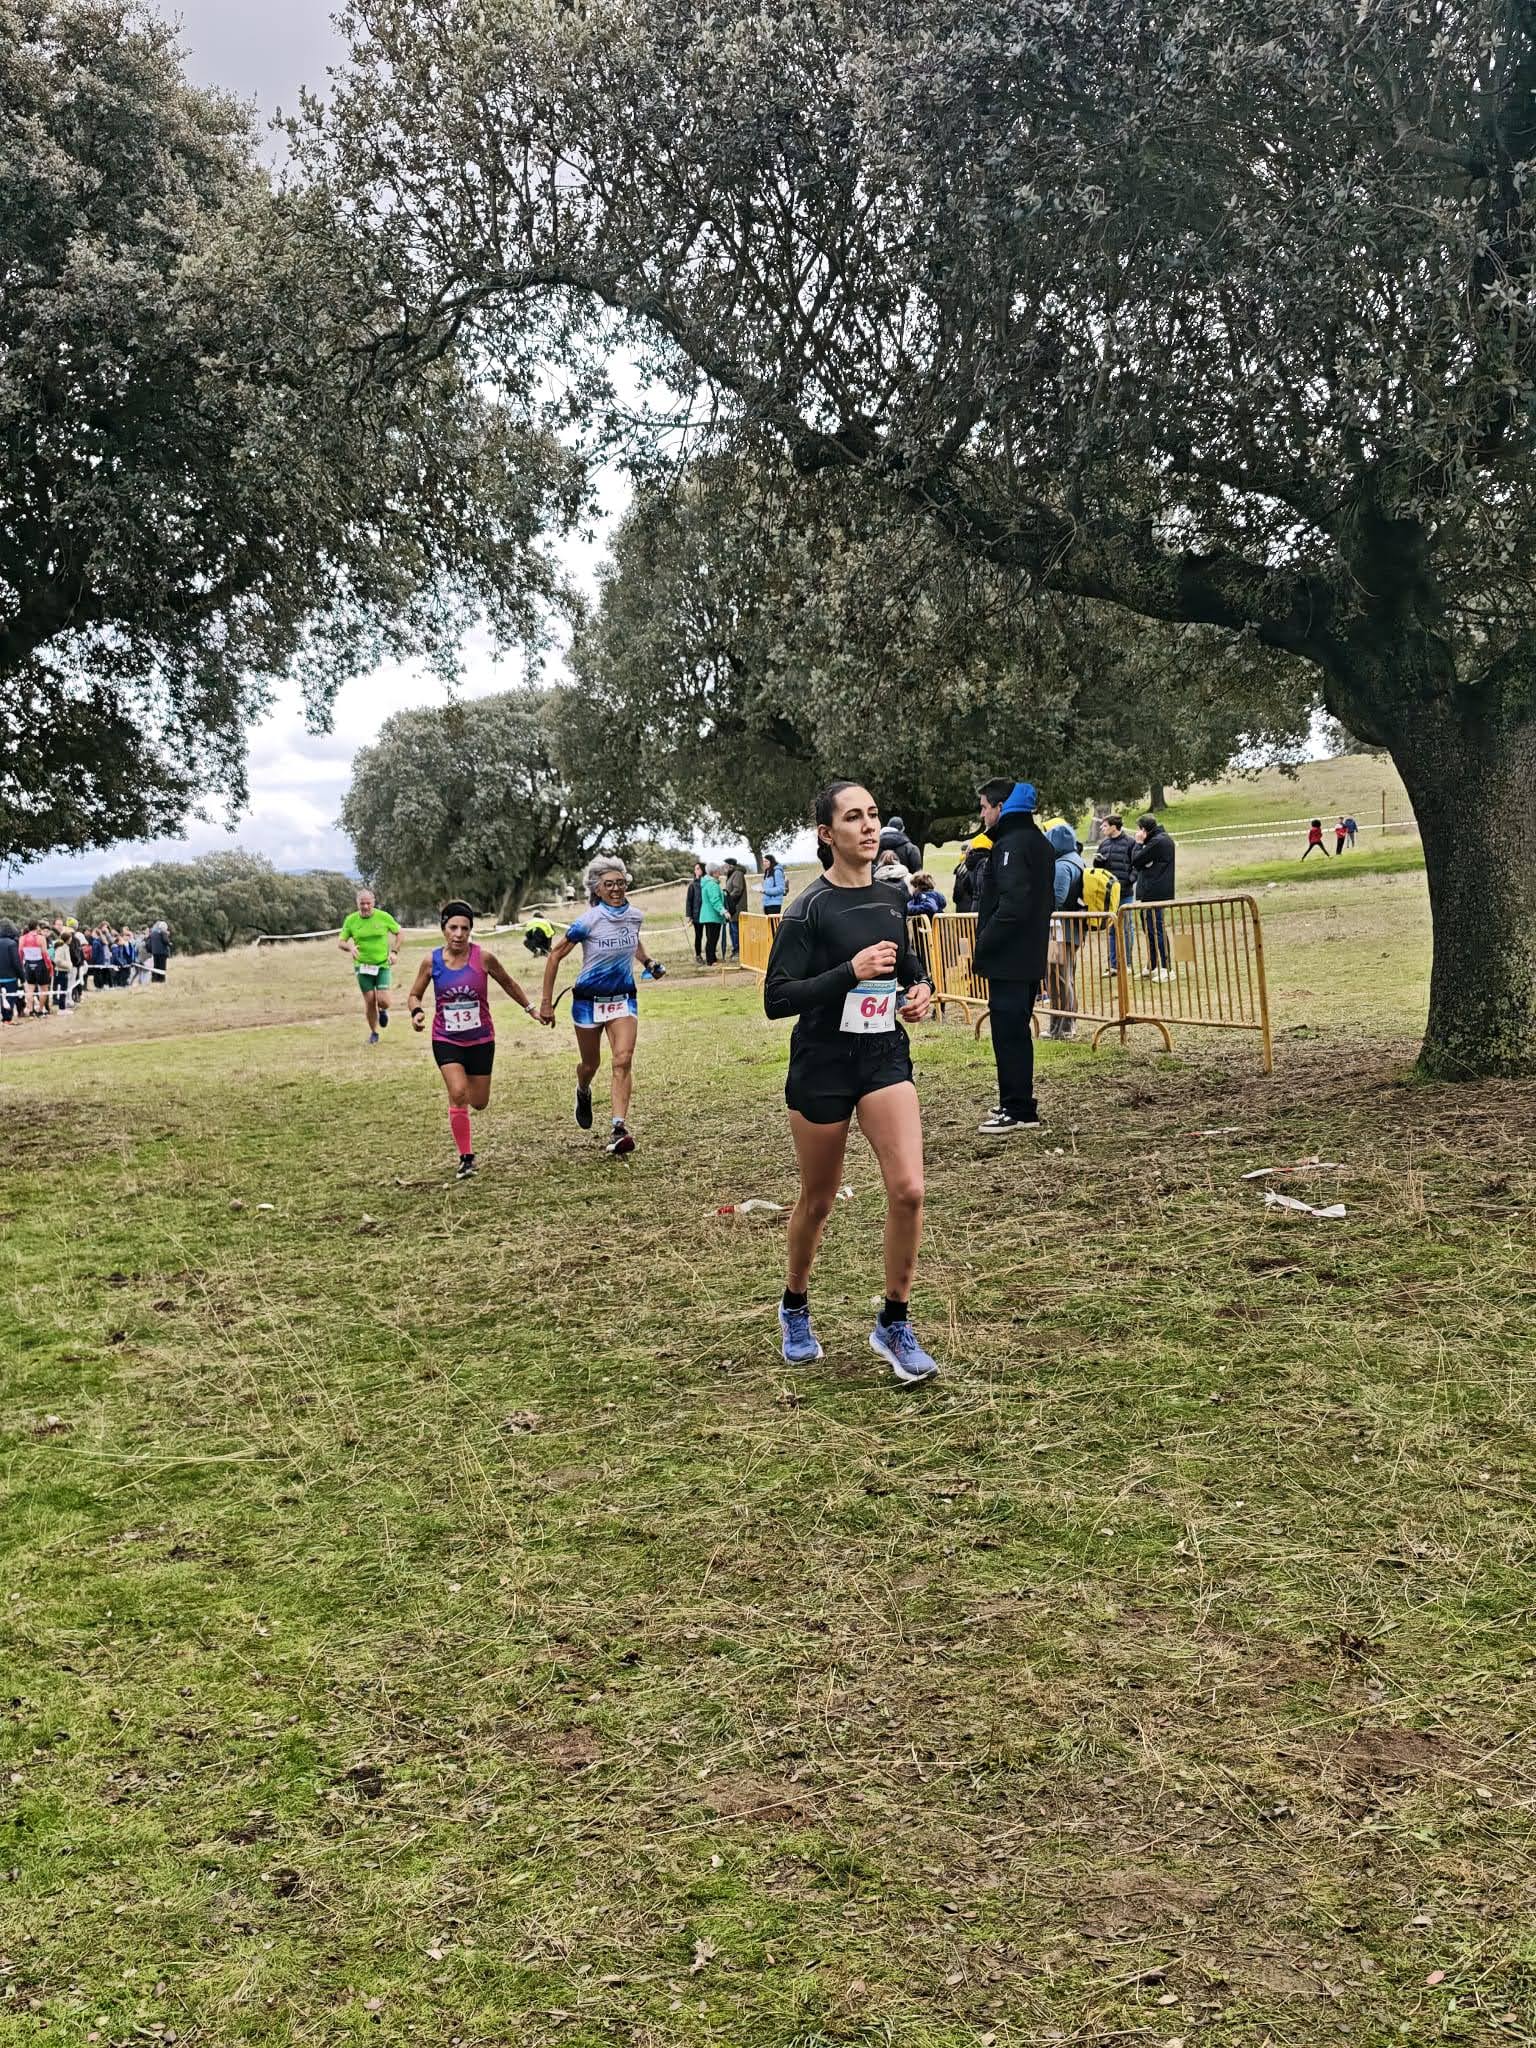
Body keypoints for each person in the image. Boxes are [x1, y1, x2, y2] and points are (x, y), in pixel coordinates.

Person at [763, 781, 938, 1384]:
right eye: (854, 817)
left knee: (910, 1188)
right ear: (825, 833)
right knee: (818, 1198)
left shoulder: (892, 896)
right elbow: (776, 998)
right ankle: (794, 1304)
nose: (869, 826)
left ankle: (894, 1320)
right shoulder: (807, 909)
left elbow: (909, 964)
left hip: (883, 1056)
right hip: (823, 1066)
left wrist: (920, 992)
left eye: (874, 816)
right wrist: (848, 972)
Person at [407, 899, 537, 1180]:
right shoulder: (432, 961)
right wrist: (417, 1012)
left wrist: (531, 1009)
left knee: (479, 1101)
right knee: (457, 1094)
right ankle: (466, 1158)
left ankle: (467, 1145)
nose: (458, 934)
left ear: (471, 931)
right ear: (444, 929)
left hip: (480, 1039)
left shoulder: (484, 958)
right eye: (453, 927)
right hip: (446, 1038)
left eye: (465, 928)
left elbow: (509, 983)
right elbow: (414, 994)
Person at [537, 856, 657, 1157]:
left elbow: (633, 940)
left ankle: (618, 1129)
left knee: (623, 1059)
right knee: (591, 1064)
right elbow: (554, 956)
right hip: (588, 1002)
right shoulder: (587, 921)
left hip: (623, 998)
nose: (616, 888)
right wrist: (546, 1003)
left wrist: (648, 962)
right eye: (609, 884)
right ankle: (583, 1089)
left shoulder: (635, 916)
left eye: (620, 882)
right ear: (597, 889)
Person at [971, 779, 1054, 1132]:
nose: (982, 814)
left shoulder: (1012, 844)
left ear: (1001, 807)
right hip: (1026, 953)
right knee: (1012, 1030)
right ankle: (1013, 1101)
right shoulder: (1031, 840)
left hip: (1012, 956)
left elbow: (1013, 905)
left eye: (984, 807)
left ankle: (1018, 1109)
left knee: (1009, 1032)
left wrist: (984, 943)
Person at [338, 889, 401, 1042]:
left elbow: (399, 933)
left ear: (373, 903)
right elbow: (341, 942)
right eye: (362, 904)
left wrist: (394, 952)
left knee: (383, 1000)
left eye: (368, 903)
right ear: (357, 904)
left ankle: (383, 1009)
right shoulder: (351, 920)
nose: (365, 907)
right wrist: (351, 948)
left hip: (382, 964)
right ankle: (374, 1033)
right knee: (369, 1000)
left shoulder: (383, 917)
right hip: (362, 966)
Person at [1045, 822, 1086, 1039]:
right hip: (1068, 931)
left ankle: (1064, 1027)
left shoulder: (1062, 866)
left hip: (1060, 932)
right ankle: (1058, 1025)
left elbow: (1056, 899)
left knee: (1058, 978)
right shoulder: (1076, 860)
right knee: (1063, 977)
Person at [1130, 814, 1177, 977]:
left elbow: (1136, 860)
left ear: (1144, 829)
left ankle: (1166, 967)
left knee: (1157, 929)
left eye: (1140, 829)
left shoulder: (1158, 841)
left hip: (1155, 892)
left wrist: (1138, 843)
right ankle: (1153, 965)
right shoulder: (1156, 840)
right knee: (1148, 929)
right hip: (1149, 892)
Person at [1093, 813, 1137, 977]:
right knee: (1111, 929)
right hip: (1109, 894)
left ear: (1113, 826)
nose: (1101, 828)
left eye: (1104, 825)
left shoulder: (1130, 843)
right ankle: (1113, 965)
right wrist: (1098, 864)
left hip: (1125, 892)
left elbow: (1136, 865)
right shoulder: (1103, 845)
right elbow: (1098, 869)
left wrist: (1130, 879)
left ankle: (1127, 963)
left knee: (1126, 928)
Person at [952, 834, 991, 914]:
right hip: (982, 907)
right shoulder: (985, 863)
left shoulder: (968, 864)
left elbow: (962, 887)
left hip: (970, 906)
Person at [697, 865, 726, 966]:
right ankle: (711, 960)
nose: (720, 873)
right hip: (712, 916)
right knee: (712, 939)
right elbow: (715, 900)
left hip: (707, 915)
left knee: (711, 938)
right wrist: (724, 911)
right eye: (718, 871)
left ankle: (712, 958)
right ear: (713, 873)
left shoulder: (707, 883)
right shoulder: (712, 884)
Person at [722, 858, 748, 958]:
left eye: (725, 866)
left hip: (737, 907)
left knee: (736, 930)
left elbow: (738, 889)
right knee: (733, 930)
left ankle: (738, 951)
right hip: (732, 907)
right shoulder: (732, 874)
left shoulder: (737, 874)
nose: (724, 868)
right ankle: (735, 950)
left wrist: (728, 898)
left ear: (731, 866)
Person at [0, 921, 22, 1024]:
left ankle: (4, 1019)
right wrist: (22, 977)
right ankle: (7, 1019)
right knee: (10, 998)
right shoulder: (12, 944)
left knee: (2, 999)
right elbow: (16, 962)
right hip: (10, 977)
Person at [685, 860, 706, 961]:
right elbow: (689, 901)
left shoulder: (707, 883)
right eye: (695, 869)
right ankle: (698, 955)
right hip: (697, 915)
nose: (696, 871)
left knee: (710, 935)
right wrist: (689, 916)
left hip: (708, 914)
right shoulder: (692, 885)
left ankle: (710, 954)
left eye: (698, 869)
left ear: (703, 870)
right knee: (699, 936)